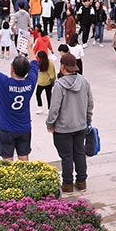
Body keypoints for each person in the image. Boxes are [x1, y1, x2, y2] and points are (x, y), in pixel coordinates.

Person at [47, 53, 93, 192]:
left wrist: (50, 124)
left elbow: (54, 108)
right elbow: (90, 103)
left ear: (62, 66)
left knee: (66, 157)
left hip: (63, 128)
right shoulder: (84, 81)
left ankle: (67, 184)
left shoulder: (59, 85)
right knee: (79, 153)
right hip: (80, 125)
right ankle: (81, 181)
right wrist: (87, 118)